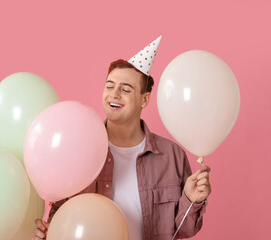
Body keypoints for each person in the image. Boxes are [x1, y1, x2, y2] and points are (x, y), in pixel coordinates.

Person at [33, 36, 211, 240]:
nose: (114, 94)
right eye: (109, 86)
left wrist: (192, 200)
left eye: (126, 89)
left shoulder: (172, 156)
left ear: (144, 99)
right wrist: (47, 232)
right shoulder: (77, 148)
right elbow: (61, 221)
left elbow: (183, 231)